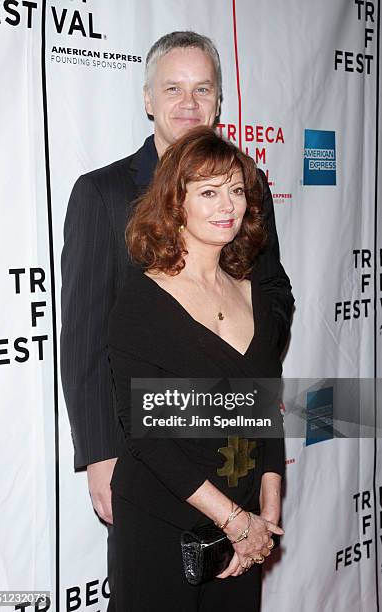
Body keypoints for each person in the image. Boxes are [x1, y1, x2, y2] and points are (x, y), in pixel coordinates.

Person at [60, 31, 293, 600]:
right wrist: (98, 453)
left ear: (218, 101)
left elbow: (273, 288)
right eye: (173, 88)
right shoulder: (103, 193)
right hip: (147, 451)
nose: (189, 103)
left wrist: (243, 362)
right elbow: (85, 334)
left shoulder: (247, 186)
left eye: (203, 90)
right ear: (148, 99)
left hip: (235, 444)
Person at [107, 126, 286, 611]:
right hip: (163, 521)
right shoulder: (142, 302)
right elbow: (150, 438)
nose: (228, 205)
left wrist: (266, 511)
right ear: (174, 203)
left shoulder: (258, 295)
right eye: (208, 192)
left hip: (246, 521)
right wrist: (234, 521)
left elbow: (266, 408)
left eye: (235, 190)